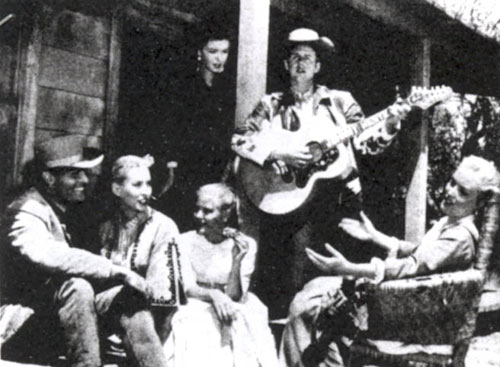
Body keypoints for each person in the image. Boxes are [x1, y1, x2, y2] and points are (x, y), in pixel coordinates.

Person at [231, 28, 410, 317]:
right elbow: (239, 140)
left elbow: (366, 146)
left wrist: (389, 125)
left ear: (318, 67)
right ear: (286, 65)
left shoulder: (340, 102)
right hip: (286, 201)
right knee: (288, 279)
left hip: (338, 204)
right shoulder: (271, 105)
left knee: (336, 282)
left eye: (307, 58)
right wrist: (276, 154)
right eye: (295, 57)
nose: (301, 63)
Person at [281, 155, 500, 367]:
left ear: (479, 204)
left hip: (412, 324)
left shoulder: (460, 237)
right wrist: (377, 237)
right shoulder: (451, 224)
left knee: (306, 304)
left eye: (462, 192)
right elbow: (422, 254)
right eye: (452, 182)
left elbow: (412, 266)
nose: (450, 191)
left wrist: (352, 268)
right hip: (407, 309)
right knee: (315, 291)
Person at [0, 136, 171, 367]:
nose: (84, 180)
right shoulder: (26, 209)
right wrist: (116, 270)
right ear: (49, 178)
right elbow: (47, 253)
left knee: (127, 295)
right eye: (74, 174)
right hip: (22, 319)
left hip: (65, 316)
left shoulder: (70, 207)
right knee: (77, 287)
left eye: (86, 173)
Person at [163, 183, 279, 367]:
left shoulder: (245, 244)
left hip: (234, 302)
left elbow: (234, 296)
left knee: (239, 320)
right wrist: (214, 295)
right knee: (196, 320)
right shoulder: (183, 241)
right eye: (197, 209)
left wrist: (237, 260)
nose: (198, 216)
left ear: (225, 214)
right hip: (196, 300)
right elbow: (188, 287)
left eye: (207, 211)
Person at [159, 23, 236, 232]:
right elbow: (170, 130)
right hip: (186, 172)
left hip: (215, 172)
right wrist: (171, 167)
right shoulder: (184, 86)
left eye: (224, 52)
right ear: (199, 53)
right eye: (213, 52)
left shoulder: (225, 92)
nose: (220, 58)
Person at [98, 155, 180, 343]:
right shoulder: (105, 227)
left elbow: (164, 299)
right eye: (137, 185)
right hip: (107, 319)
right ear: (117, 189)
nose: (146, 192)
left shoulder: (163, 227)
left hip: (147, 325)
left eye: (148, 184)